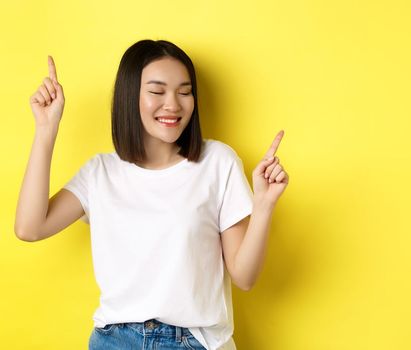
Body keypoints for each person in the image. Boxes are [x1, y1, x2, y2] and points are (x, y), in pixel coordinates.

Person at [15, 39, 289, 350]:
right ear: (130, 96)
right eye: (157, 92)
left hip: (192, 341)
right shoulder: (100, 172)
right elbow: (30, 228)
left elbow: (245, 277)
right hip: (113, 340)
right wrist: (46, 128)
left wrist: (264, 205)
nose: (173, 104)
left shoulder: (217, 162)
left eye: (185, 92)